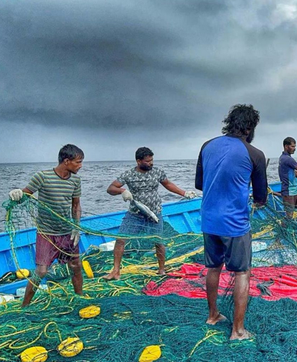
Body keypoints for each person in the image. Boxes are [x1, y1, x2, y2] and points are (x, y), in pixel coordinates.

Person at [195, 104, 267, 341]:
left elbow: (199, 184)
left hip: (208, 221)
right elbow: (260, 198)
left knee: (213, 267)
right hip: (235, 225)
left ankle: (213, 315)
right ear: (250, 127)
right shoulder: (255, 154)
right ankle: (237, 330)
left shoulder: (207, 146)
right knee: (242, 273)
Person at [8, 144, 85, 307]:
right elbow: (25, 195)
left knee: (75, 265)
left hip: (67, 232)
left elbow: (76, 206)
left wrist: (76, 226)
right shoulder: (42, 177)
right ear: (66, 161)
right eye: (78, 162)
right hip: (47, 233)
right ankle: (25, 306)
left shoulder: (76, 181)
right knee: (41, 271)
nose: (80, 165)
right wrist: (16, 194)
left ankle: (80, 297)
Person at [104, 147, 197, 280]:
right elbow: (110, 188)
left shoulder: (157, 172)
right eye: (147, 161)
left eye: (152, 160)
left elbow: (168, 184)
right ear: (138, 161)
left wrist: (184, 193)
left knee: (158, 242)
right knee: (120, 240)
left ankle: (161, 270)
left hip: (154, 213)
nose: (151, 163)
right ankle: (116, 271)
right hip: (135, 214)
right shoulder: (129, 174)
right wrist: (122, 191)